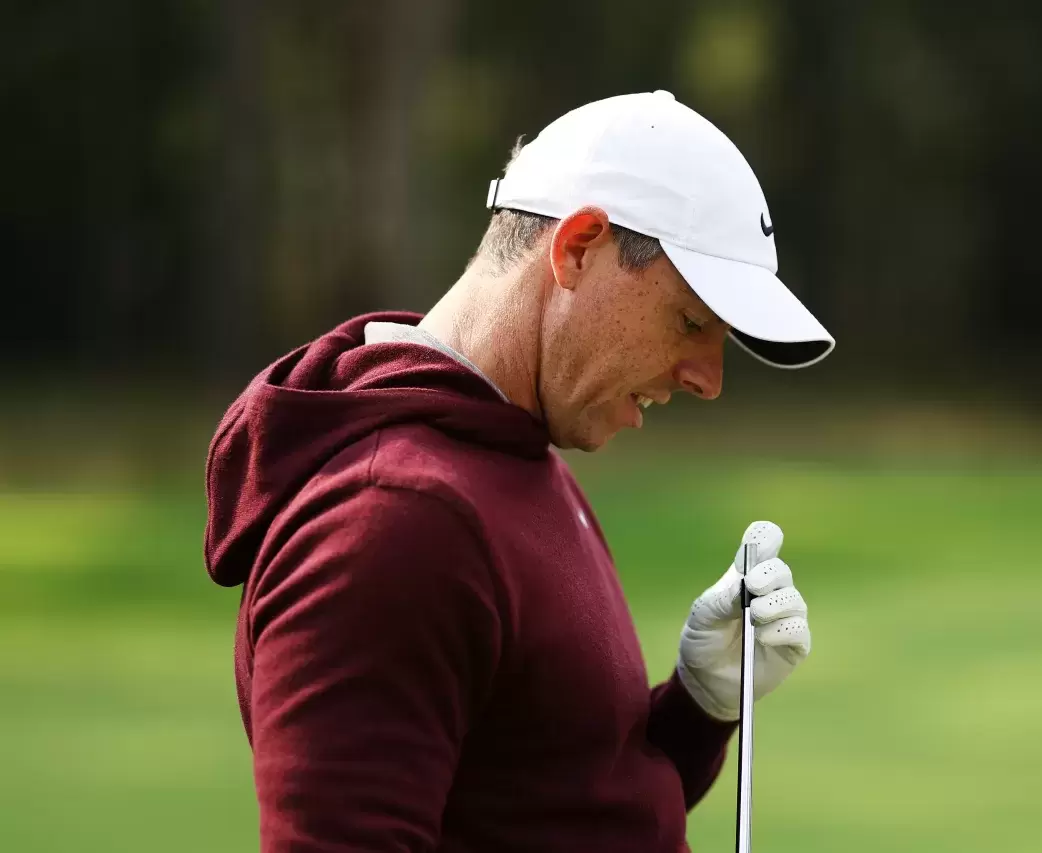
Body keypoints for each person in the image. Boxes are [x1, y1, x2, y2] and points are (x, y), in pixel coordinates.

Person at [204, 90, 835, 852]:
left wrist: (699, 706)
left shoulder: (511, 454)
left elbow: (561, 805)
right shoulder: (392, 520)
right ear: (578, 247)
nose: (708, 379)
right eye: (691, 321)